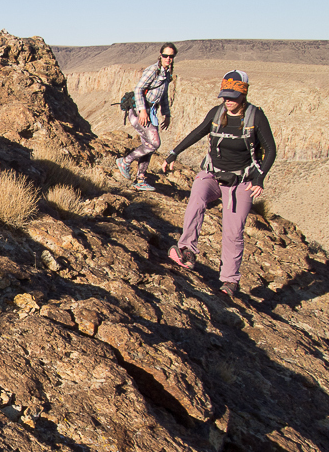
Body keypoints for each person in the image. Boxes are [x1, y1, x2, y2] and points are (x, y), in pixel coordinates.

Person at [161, 70, 277, 297]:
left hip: (241, 182)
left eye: (232, 97)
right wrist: (174, 153)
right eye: (225, 96)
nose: (227, 101)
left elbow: (270, 149)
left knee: (233, 231)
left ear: (243, 95)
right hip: (213, 175)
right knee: (197, 196)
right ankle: (186, 250)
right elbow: (198, 132)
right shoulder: (217, 113)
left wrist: (259, 178)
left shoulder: (255, 117)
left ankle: (229, 282)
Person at [115, 43, 177, 191]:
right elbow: (138, 89)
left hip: (151, 112)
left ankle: (140, 179)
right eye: (165, 55)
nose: (168, 58)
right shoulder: (153, 70)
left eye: (171, 56)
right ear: (160, 55)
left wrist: (167, 114)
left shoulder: (167, 73)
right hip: (140, 111)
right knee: (154, 143)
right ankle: (125, 161)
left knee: (148, 146)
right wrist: (142, 110)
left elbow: (164, 96)